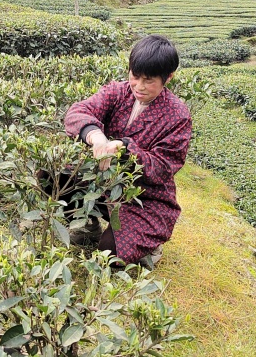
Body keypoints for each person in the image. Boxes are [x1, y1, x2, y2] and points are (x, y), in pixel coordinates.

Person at [62, 34, 192, 268]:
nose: (139, 86)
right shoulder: (117, 92)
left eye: (149, 80)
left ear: (168, 78)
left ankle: (148, 245)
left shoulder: (178, 116)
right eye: (135, 76)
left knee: (108, 256)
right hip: (101, 184)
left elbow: (162, 167)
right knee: (52, 175)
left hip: (144, 197)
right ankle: (86, 224)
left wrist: (123, 148)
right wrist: (95, 135)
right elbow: (77, 111)